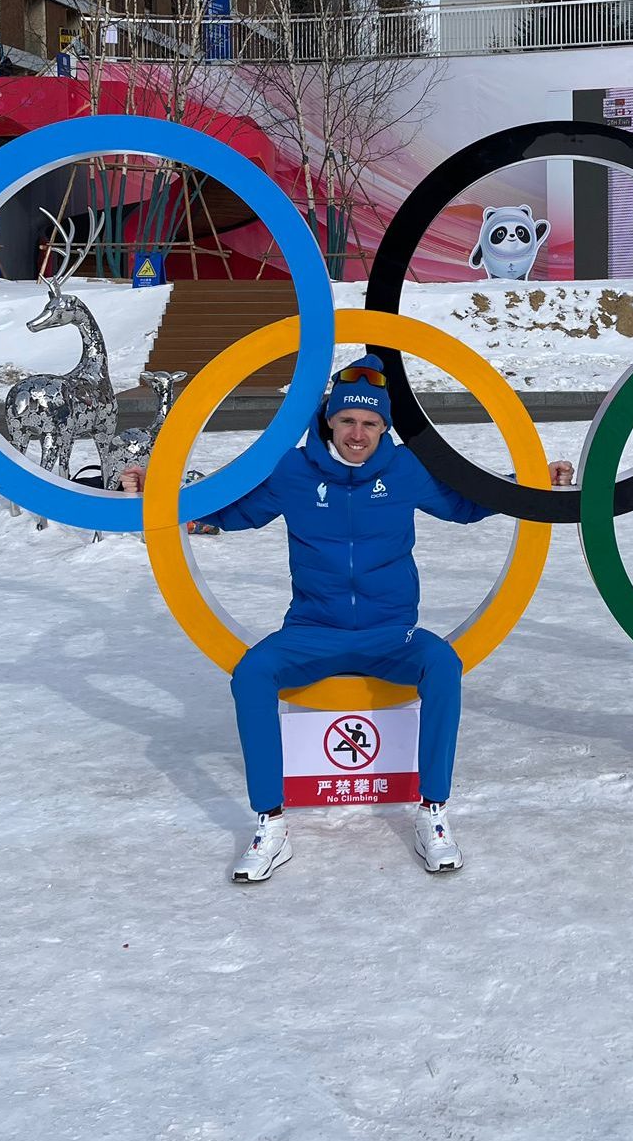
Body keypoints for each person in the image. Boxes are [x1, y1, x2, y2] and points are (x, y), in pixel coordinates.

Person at [194, 354, 572, 884]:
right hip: (313, 631)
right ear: (329, 420)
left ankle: (433, 812)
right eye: (348, 420)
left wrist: (528, 480)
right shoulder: (293, 471)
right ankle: (270, 822)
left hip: (392, 634)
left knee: (442, 663)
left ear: (384, 426)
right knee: (253, 673)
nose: (358, 434)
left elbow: (464, 503)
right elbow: (237, 511)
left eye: (370, 423)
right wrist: (160, 496)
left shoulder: (405, 469)